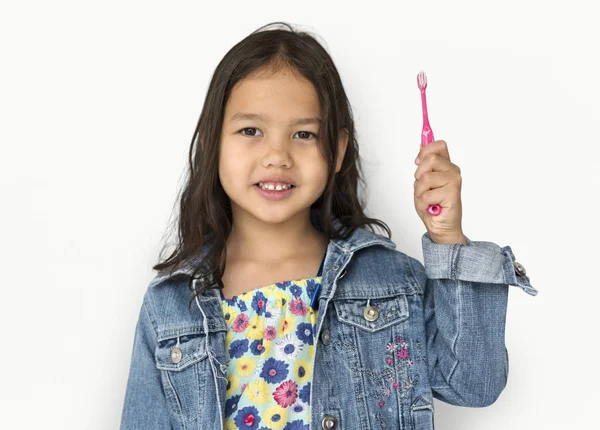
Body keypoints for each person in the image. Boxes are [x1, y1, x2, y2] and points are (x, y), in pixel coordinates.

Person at [120, 21, 538, 430]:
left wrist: (448, 239)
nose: (277, 155)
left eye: (303, 134)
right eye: (251, 130)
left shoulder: (389, 280)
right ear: (214, 143)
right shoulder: (171, 307)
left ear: (336, 151)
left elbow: (474, 384)